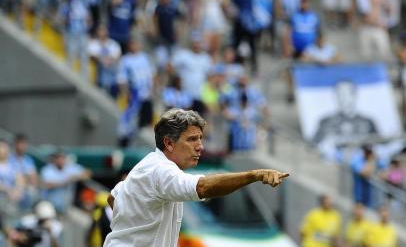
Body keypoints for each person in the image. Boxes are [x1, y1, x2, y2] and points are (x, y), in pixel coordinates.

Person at [103, 109, 289, 247]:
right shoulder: (161, 170)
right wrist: (253, 175)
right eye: (192, 139)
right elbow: (202, 188)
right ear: (169, 143)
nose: (200, 146)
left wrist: (133, 226)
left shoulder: (149, 164)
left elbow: (113, 197)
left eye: (200, 138)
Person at [312, 80, 378, 154]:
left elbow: (379, 145)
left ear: (354, 95)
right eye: (338, 94)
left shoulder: (368, 122)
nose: (342, 98)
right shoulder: (325, 122)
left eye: (346, 94)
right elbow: (314, 146)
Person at [9, 133, 39, 209]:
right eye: (20, 143)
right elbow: (10, 177)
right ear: (15, 144)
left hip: (25, 189)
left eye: (25, 144)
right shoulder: (9, 158)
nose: (23, 146)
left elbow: (33, 179)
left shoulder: (28, 160)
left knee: (32, 192)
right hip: (11, 190)